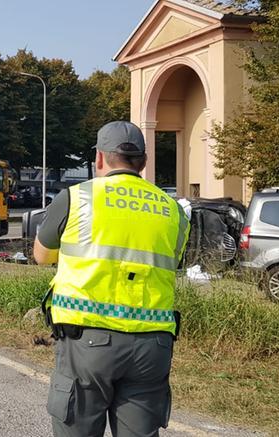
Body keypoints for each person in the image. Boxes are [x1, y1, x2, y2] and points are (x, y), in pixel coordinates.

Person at [34, 121, 190, 437]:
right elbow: (174, 261)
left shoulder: (77, 197)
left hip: (87, 343)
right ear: (144, 162)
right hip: (152, 345)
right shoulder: (174, 209)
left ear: (100, 159)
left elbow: (42, 256)